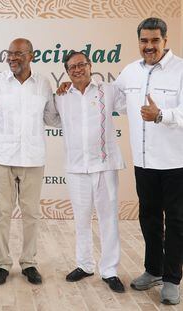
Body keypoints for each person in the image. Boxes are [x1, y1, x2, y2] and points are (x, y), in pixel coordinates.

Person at [114, 17, 183, 305]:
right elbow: (111, 100)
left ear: (165, 40)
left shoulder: (180, 70)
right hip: (144, 162)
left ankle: (171, 280)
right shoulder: (129, 72)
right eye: (144, 41)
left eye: (155, 40)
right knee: (149, 218)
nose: (149, 46)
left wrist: (161, 115)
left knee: (177, 222)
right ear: (139, 41)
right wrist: (76, 87)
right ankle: (153, 269)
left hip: (175, 163)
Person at [49, 51, 126, 293]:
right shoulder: (61, 97)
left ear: (90, 66)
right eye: (72, 67)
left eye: (81, 64)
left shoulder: (109, 90)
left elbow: (129, 105)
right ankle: (84, 264)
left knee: (108, 219)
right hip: (76, 167)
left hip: (105, 166)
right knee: (81, 219)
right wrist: (58, 90)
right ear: (67, 71)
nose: (77, 69)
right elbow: (50, 118)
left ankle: (110, 270)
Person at [0, 38, 53, 285]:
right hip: (2, 156)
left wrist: (68, 93)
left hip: (33, 158)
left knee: (31, 213)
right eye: (9, 53)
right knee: (2, 213)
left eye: (18, 54)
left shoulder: (44, 83)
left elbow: (53, 118)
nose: (12, 58)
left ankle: (29, 263)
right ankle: (2, 263)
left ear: (31, 55)